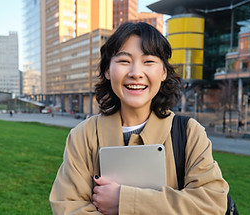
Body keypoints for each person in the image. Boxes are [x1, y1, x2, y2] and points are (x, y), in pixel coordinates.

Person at [49, 22, 229, 214]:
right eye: (124, 61)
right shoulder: (83, 136)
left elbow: (211, 203)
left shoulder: (189, 133)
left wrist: (125, 201)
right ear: (108, 71)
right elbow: (67, 206)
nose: (136, 73)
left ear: (163, 72)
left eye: (149, 61)